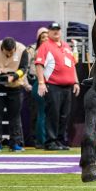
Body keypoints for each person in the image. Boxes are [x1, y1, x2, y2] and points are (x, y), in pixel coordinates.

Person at [34, 22, 80, 150]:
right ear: (48, 32)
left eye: (58, 29)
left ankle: (59, 140)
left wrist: (76, 82)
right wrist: (41, 82)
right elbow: (39, 64)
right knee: (53, 114)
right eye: (53, 30)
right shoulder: (45, 46)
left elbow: (72, 65)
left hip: (67, 86)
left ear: (61, 31)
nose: (56, 32)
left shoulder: (66, 46)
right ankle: (50, 141)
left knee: (64, 115)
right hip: (53, 85)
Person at [0, 36, 30, 151]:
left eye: (11, 52)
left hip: (14, 87)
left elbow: (24, 68)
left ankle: (15, 143)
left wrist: (14, 76)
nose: (9, 55)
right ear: (2, 48)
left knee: (15, 116)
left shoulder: (22, 49)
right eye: (6, 53)